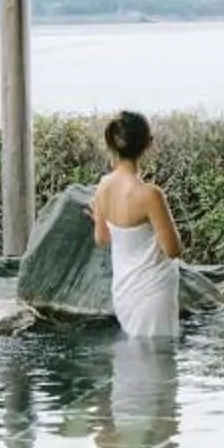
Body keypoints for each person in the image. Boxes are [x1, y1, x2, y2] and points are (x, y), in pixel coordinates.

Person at [91, 110, 183, 340]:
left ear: (112, 143)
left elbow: (101, 239)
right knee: (158, 358)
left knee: (133, 356)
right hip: (153, 292)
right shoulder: (150, 195)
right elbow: (173, 250)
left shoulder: (103, 186)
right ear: (147, 144)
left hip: (124, 290)